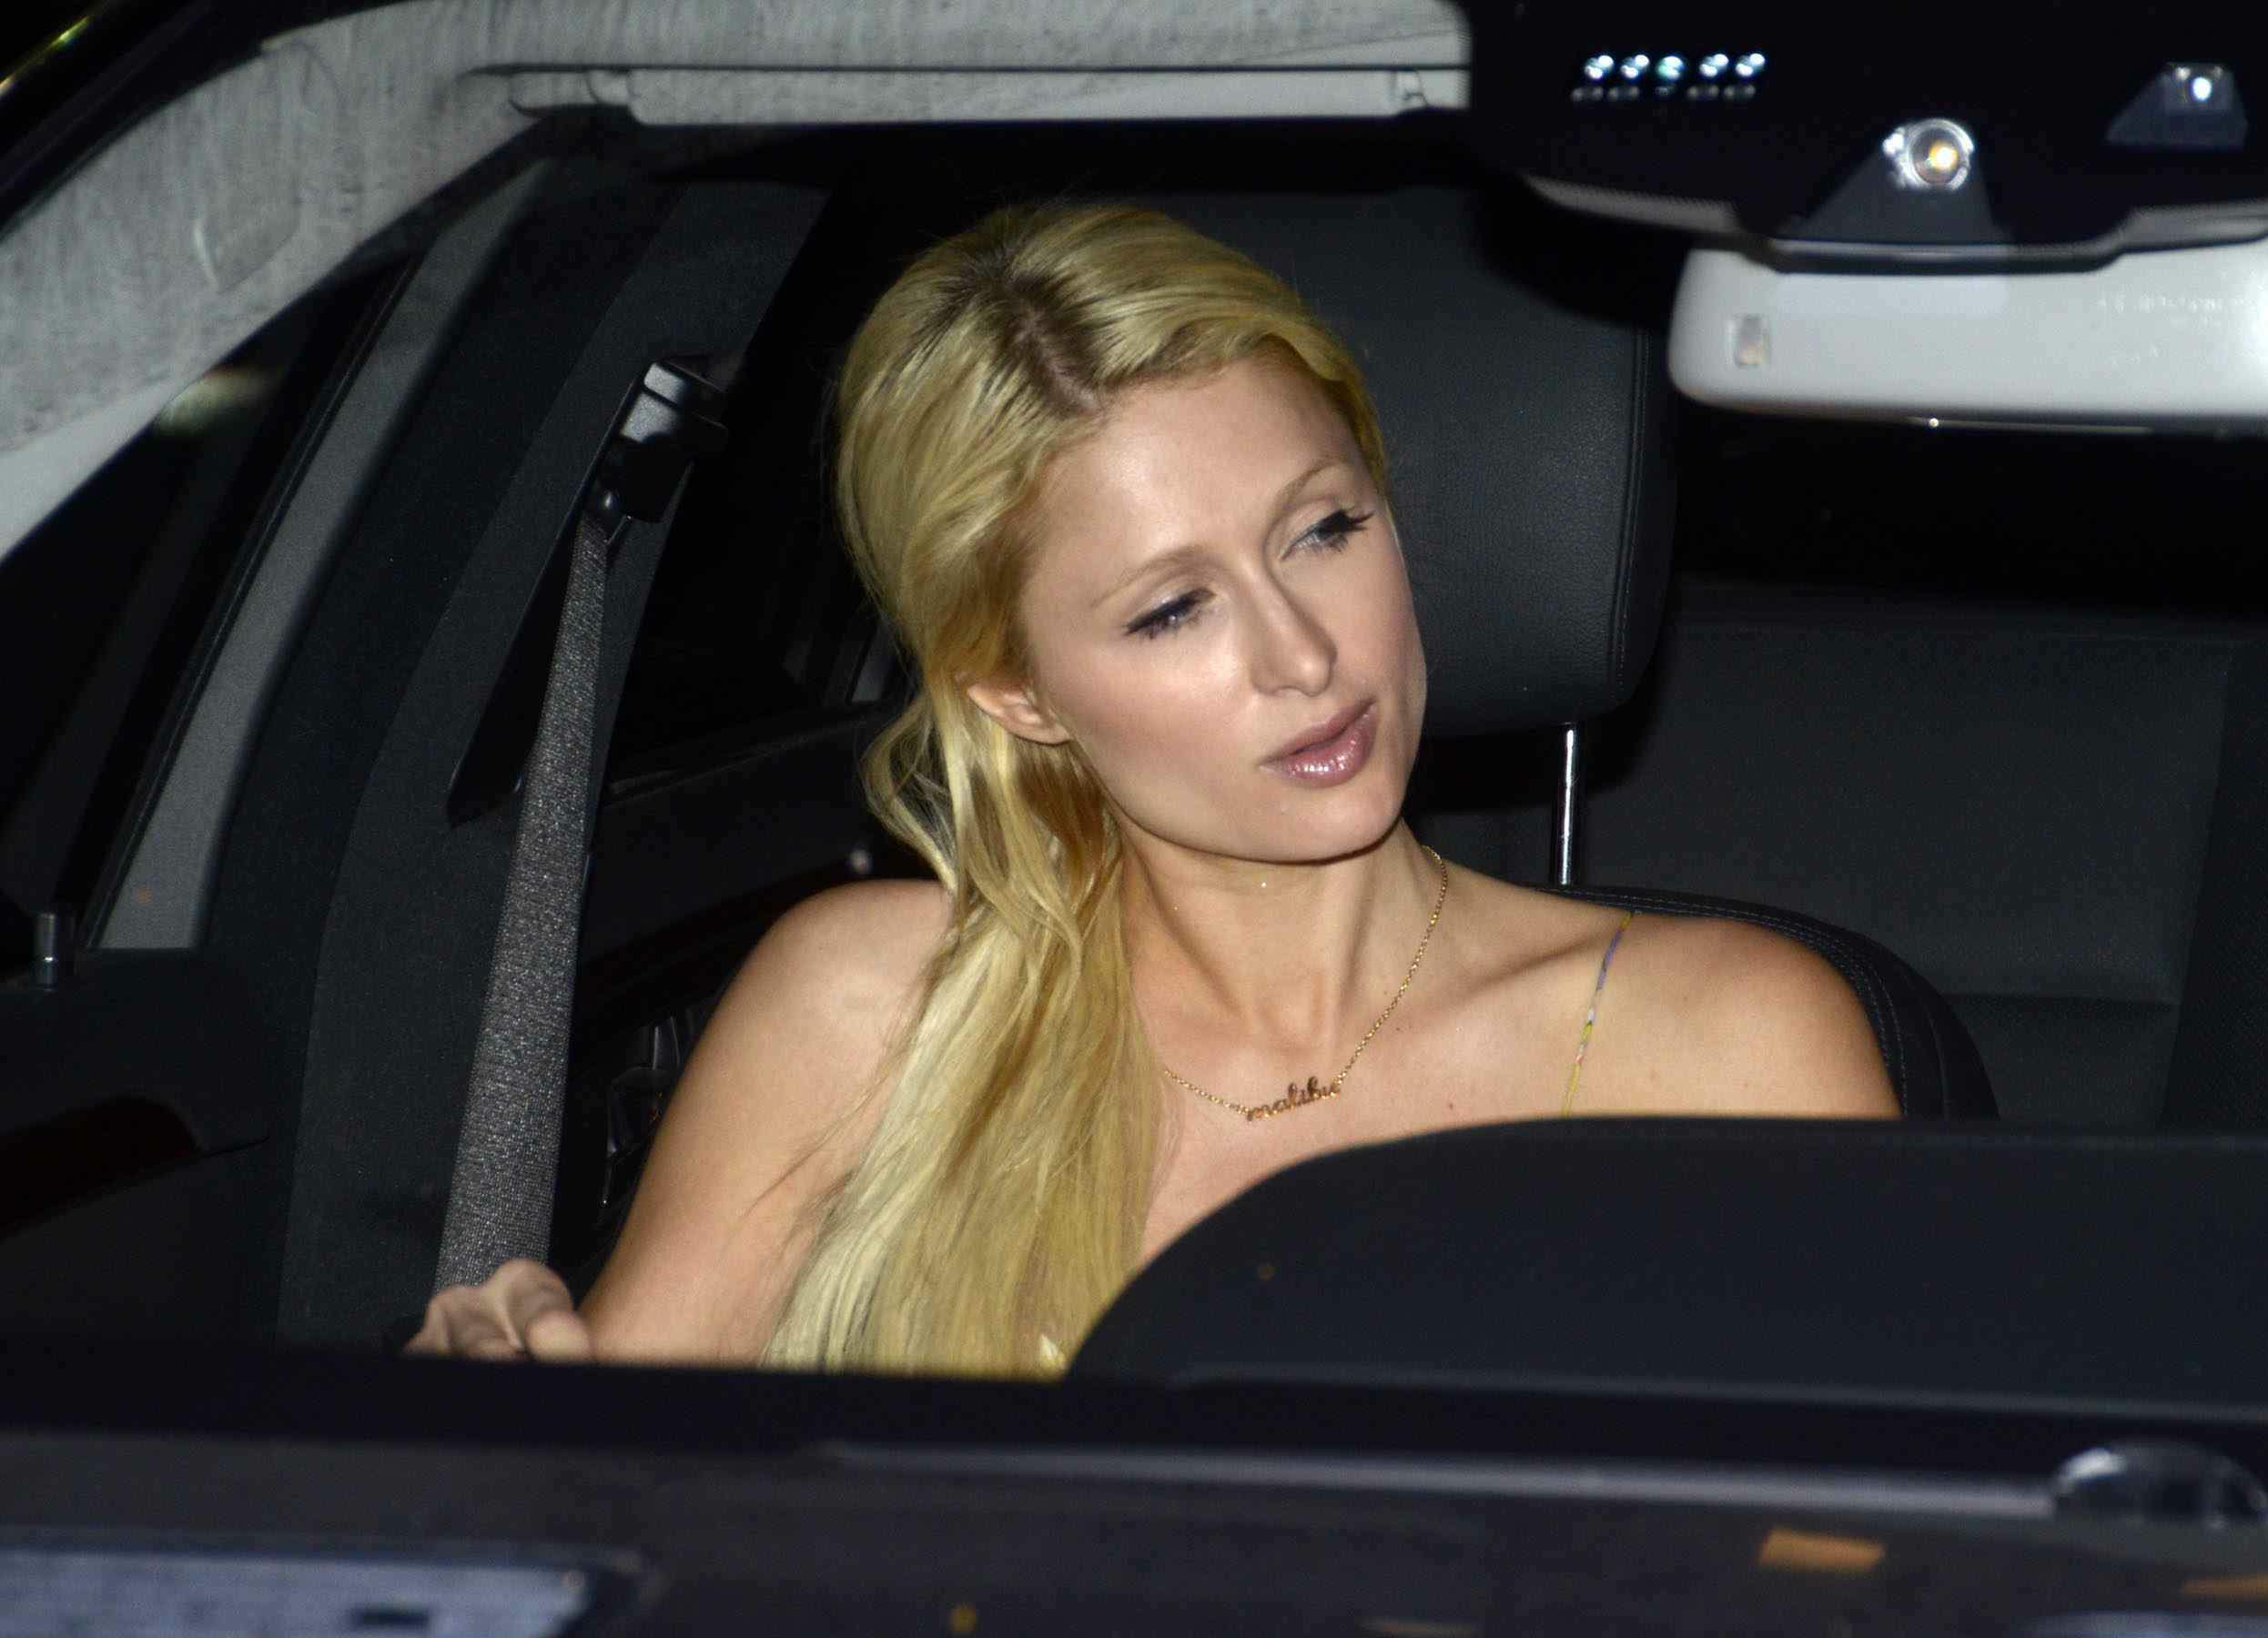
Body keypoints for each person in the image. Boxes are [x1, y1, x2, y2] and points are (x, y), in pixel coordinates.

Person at [406, 201, 1898, 1378]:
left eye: (1322, 530)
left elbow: (1877, 1566)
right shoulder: (872, 1017)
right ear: (1014, 690)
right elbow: (612, 1513)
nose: (1304, 656)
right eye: (1172, 610)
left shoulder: (1722, 1041)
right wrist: (483, 1456)